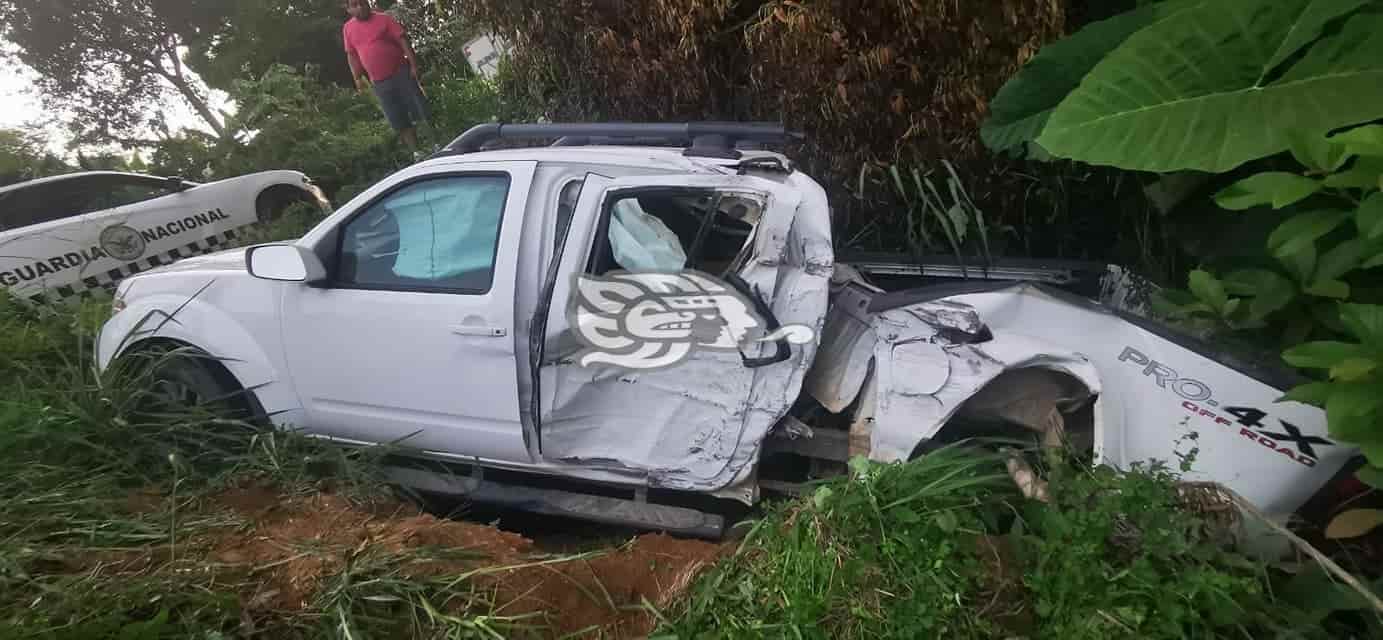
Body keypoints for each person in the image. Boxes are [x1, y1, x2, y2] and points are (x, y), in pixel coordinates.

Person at [342, 0, 431, 157]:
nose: (360, 7)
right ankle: (417, 152)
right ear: (348, 9)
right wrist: (357, 78)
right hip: (378, 81)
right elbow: (352, 54)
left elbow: (403, 40)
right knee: (397, 117)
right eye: (355, 5)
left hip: (401, 72)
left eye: (363, 3)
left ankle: (435, 142)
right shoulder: (348, 29)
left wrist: (414, 64)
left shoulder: (384, 19)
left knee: (419, 107)